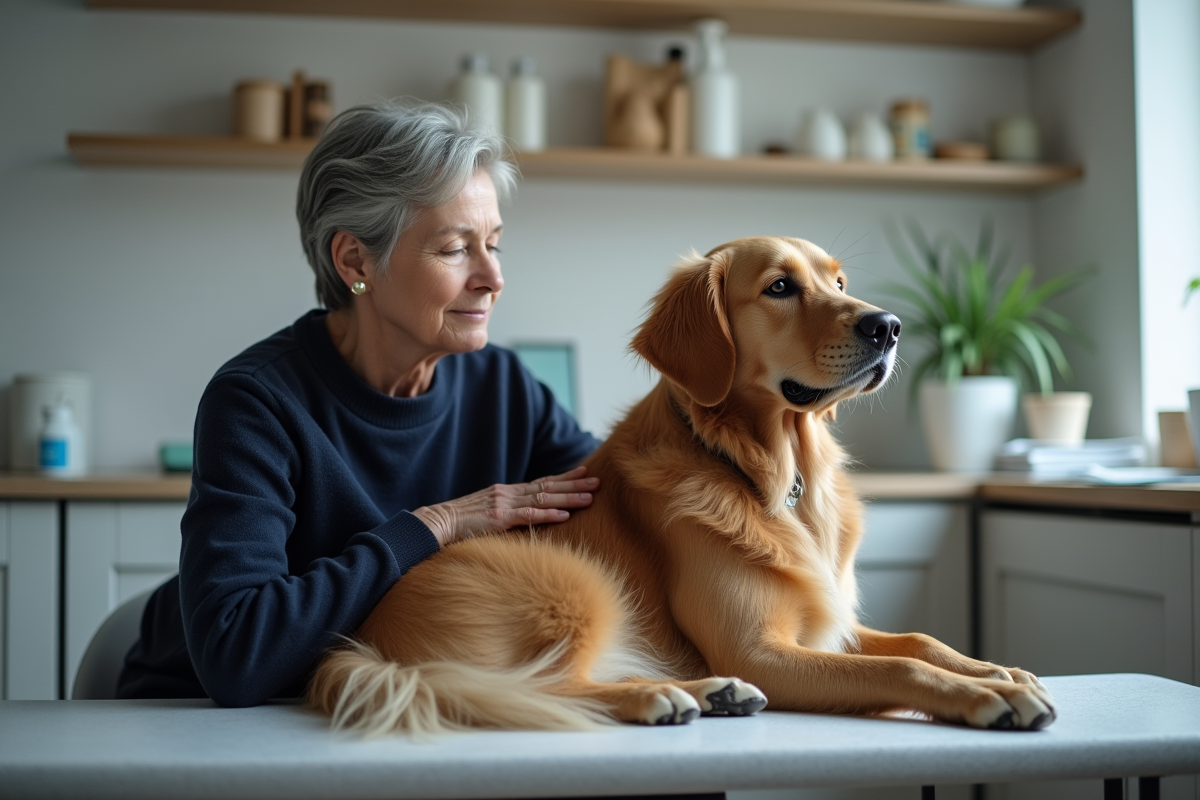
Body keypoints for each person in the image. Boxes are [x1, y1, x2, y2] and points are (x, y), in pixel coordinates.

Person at [117, 102, 601, 706]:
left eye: (494, 245)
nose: (492, 277)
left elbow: (620, 500)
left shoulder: (501, 383)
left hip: (384, 702)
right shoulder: (255, 402)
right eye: (455, 249)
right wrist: (436, 525)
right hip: (198, 722)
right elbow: (236, 652)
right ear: (355, 262)